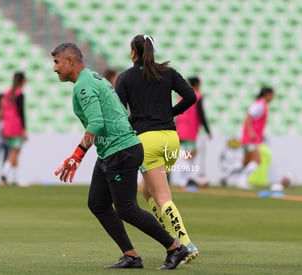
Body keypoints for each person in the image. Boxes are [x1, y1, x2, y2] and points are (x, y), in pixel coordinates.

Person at [51, 42, 188, 270]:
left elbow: (96, 122)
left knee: (127, 209)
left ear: (70, 62)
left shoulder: (83, 86)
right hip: (112, 151)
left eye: (57, 62)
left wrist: (77, 155)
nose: (55, 68)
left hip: (121, 151)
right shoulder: (94, 77)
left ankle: (175, 247)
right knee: (97, 203)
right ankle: (131, 256)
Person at [115, 34, 199, 263]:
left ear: (133, 52)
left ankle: (185, 243)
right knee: (147, 192)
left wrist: (134, 125)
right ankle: (173, 236)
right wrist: (171, 112)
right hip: (171, 139)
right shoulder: (168, 73)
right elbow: (191, 96)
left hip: (147, 141)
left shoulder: (125, 78)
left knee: (162, 196)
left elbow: (120, 113)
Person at [175, 76, 212, 187]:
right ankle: (183, 180)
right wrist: (207, 130)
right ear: (197, 84)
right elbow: (201, 114)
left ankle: (188, 178)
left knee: (192, 153)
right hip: (189, 129)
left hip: (179, 127)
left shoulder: (182, 95)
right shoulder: (197, 96)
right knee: (189, 155)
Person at [237, 87, 274, 189]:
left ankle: (227, 176)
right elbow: (249, 116)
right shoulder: (260, 105)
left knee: (246, 161)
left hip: (250, 137)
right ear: (267, 95)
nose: (272, 98)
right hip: (250, 138)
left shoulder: (260, 104)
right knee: (257, 160)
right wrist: (251, 131)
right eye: (272, 95)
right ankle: (242, 180)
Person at [1, 72, 27, 186]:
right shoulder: (19, 94)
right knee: (15, 152)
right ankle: (4, 171)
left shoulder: (7, 93)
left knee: (14, 151)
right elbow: (21, 113)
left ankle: (14, 179)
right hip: (16, 126)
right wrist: (24, 129)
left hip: (7, 126)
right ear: (22, 81)